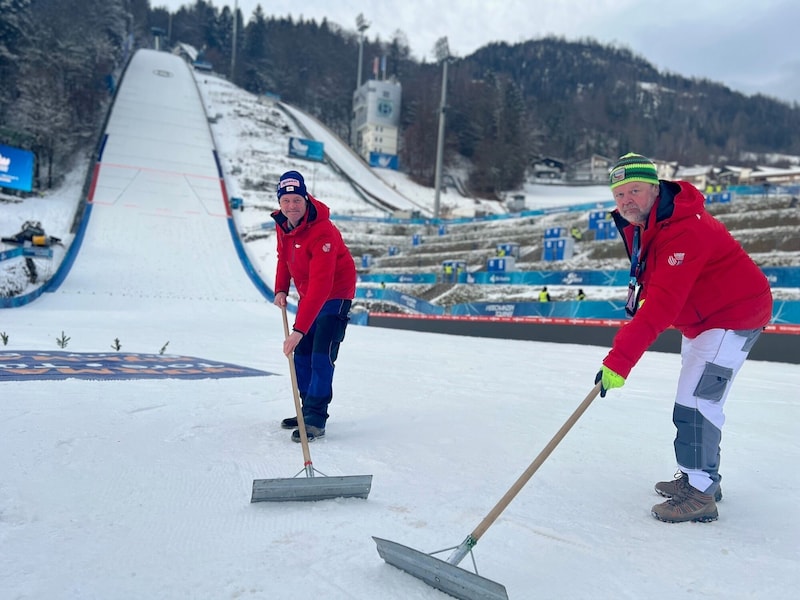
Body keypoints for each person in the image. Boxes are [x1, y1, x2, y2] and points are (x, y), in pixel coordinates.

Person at [594, 153, 773, 523]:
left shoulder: (683, 228)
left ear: (655, 190)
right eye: (619, 195)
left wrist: (619, 361)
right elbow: (655, 285)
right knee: (696, 398)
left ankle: (701, 492)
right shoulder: (648, 223)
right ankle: (702, 477)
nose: (626, 201)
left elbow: (661, 305)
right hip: (703, 319)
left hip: (732, 316)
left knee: (695, 403)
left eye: (635, 190)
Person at [271, 170, 357, 442]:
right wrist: (281, 288)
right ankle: (305, 410)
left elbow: (322, 284)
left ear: (306, 199)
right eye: (286, 201)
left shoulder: (323, 232)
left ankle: (315, 418)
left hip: (335, 293)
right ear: (280, 203)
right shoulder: (283, 224)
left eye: (297, 200)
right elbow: (283, 257)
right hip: (310, 295)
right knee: (302, 355)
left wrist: (298, 330)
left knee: (321, 353)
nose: (291, 206)